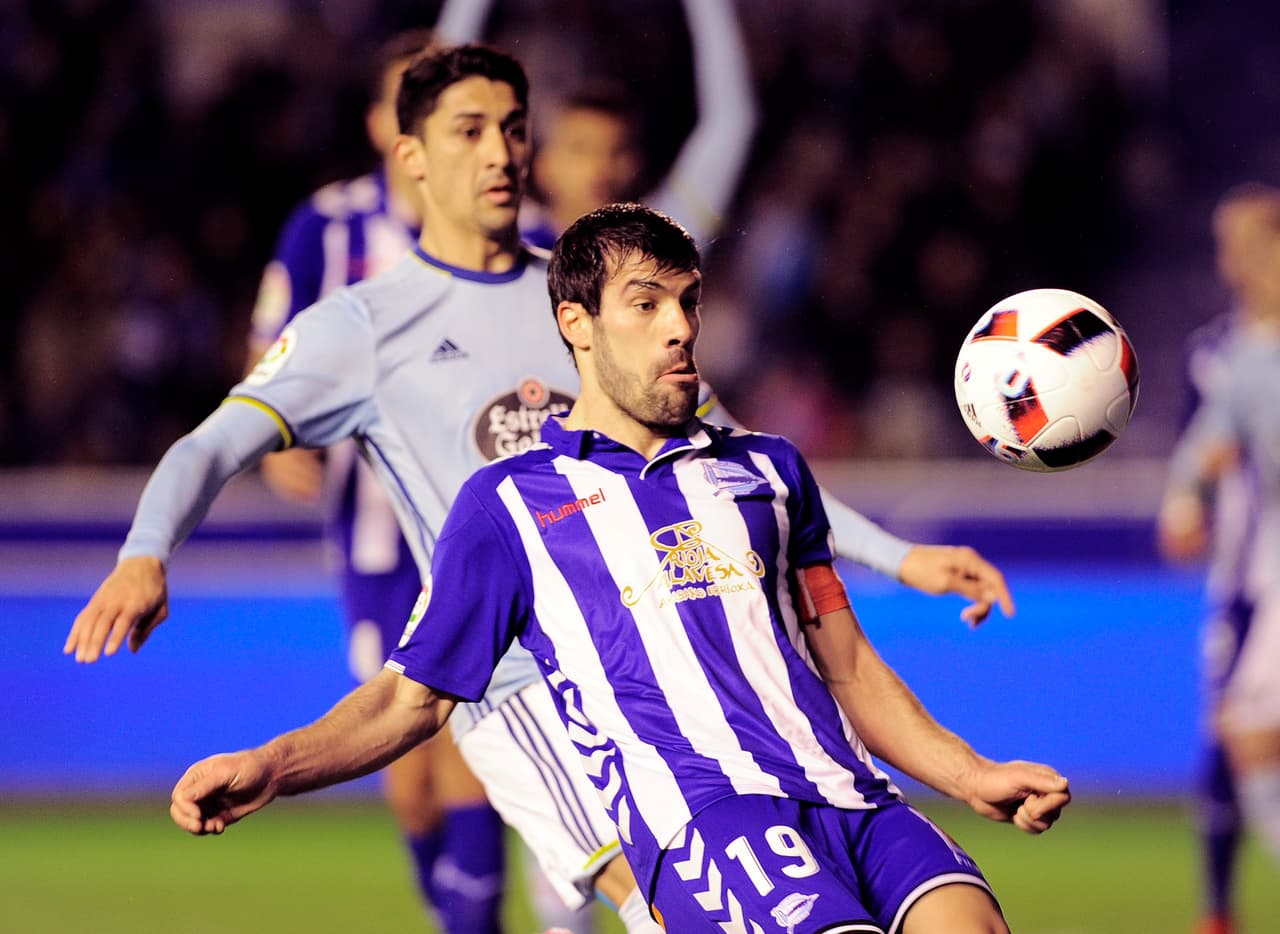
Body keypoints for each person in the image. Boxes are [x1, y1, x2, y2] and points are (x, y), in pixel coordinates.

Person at [66, 44, 1015, 934]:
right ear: (411, 157)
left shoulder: (603, 298)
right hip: (504, 682)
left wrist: (899, 556)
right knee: (640, 895)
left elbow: (735, 464)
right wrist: (143, 556)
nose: (502, 152)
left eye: (515, 127)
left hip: (648, 673)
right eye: (469, 129)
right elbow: (209, 445)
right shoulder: (358, 327)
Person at [168, 202, 1071, 933]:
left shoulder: (768, 468)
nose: (679, 329)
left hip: (861, 806)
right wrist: (274, 765)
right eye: (646, 304)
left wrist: (970, 773)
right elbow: (411, 699)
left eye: (689, 303)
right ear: (579, 325)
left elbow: (850, 666)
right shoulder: (508, 505)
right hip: (712, 826)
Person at [241, 27, 508, 933]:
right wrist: (282, 438)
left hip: (485, 527)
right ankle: (454, 907)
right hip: (375, 537)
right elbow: (271, 353)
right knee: (410, 770)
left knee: (467, 735)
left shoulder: (519, 228)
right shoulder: (329, 225)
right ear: (389, 127)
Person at [1159, 183, 1280, 934]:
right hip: (1251, 576)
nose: (1232, 261)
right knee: (1240, 737)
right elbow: (1205, 442)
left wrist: (1186, 487)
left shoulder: (1255, 356)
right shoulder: (1229, 354)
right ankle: (1218, 907)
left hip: (1271, 576)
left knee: (1249, 738)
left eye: (1246, 243)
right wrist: (1185, 499)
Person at [435, 0, 757, 252]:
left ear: (635, 165)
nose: (600, 165)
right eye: (581, 148)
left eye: (616, 150)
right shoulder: (503, 231)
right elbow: (440, 97)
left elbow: (732, 122)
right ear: (544, 165)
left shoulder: (665, 236)